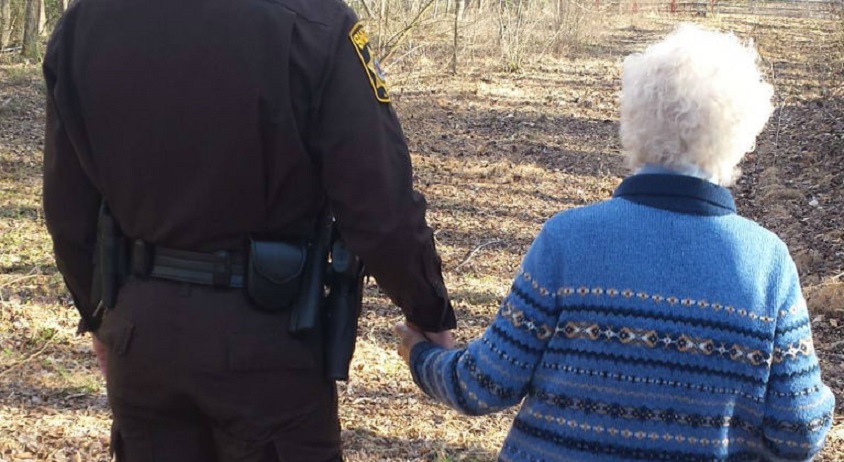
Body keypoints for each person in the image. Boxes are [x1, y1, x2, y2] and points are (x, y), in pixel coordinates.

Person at [395, 23, 835, 462]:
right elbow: (799, 433)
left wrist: (422, 355)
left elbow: (483, 385)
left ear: (634, 119)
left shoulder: (567, 240)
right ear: (741, 136)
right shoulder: (767, 264)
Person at [42, 0, 455, 461]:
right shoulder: (313, 22)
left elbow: (67, 211)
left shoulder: (85, 23)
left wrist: (99, 316)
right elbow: (379, 205)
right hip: (267, 341)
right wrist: (428, 310)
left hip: (141, 338)